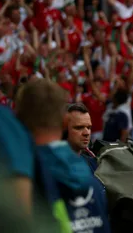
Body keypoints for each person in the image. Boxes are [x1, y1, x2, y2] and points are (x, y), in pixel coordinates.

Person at [15, 79, 111, 233]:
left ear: (17, 120)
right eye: (79, 127)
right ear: (65, 122)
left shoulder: (20, 180)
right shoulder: (93, 180)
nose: (86, 132)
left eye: (88, 127)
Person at [64, 103, 98, 173]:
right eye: (79, 128)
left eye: (89, 127)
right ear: (64, 130)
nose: (87, 133)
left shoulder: (93, 163)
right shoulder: (49, 166)